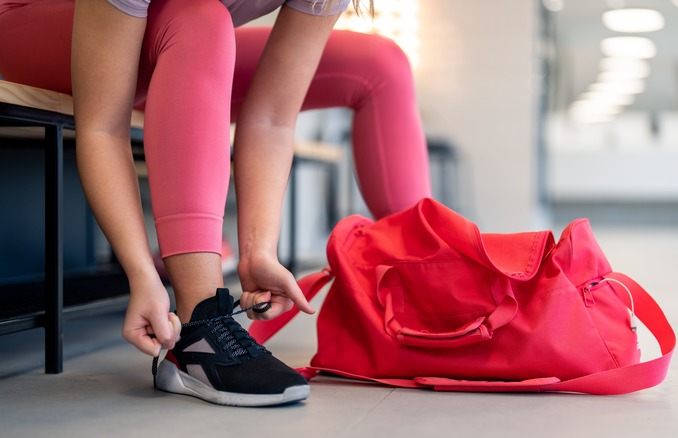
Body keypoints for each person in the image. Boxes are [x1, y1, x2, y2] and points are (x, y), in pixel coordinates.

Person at [0, 0, 431, 406]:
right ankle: (199, 330)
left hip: (177, 43)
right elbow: (103, 126)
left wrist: (258, 250)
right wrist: (141, 272)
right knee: (200, 17)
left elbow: (271, 117)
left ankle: (428, 298)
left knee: (381, 63)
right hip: (34, 27)